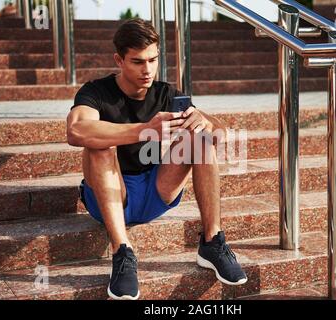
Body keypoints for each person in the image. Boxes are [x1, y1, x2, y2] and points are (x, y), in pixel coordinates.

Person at [66, 18, 247, 300]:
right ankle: (122, 253)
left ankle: (212, 242)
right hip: (110, 197)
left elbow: (221, 135)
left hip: (154, 192)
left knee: (198, 137)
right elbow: (76, 130)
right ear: (119, 59)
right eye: (138, 61)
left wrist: (205, 121)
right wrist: (144, 130)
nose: (147, 70)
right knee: (100, 144)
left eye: (153, 60)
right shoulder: (96, 92)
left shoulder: (165, 93)